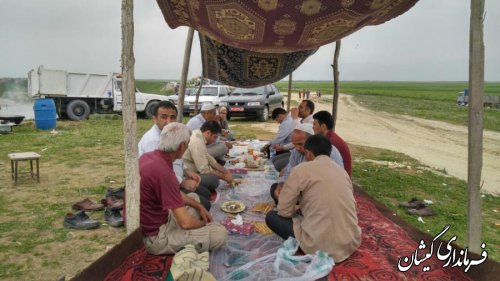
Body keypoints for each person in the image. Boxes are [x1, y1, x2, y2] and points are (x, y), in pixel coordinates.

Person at [265, 134, 360, 263]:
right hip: (350, 242)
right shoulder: (342, 172)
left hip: (319, 246)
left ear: (308, 153)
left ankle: (307, 243)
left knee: (272, 216)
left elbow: (284, 211)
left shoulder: (302, 169)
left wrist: (294, 211)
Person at [140, 122, 228, 255]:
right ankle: (187, 236)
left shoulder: (150, 157)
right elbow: (185, 223)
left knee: (194, 198)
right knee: (220, 234)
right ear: (181, 147)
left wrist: (199, 207)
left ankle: (192, 227)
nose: (187, 147)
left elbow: (174, 193)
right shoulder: (164, 171)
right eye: (187, 144)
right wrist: (204, 225)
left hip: (154, 219)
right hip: (155, 237)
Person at [137, 100, 213, 210]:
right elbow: (159, 176)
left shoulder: (171, 133)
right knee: (205, 202)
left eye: (172, 117)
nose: (168, 121)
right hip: (162, 189)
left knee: (206, 190)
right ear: (154, 119)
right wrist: (182, 183)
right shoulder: (153, 140)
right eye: (164, 117)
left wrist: (187, 171)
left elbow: (177, 158)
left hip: (175, 178)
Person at [269, 123, 343, 204]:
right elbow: (288, 173)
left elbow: (327, 184)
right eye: (294, 144)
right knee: (275, 188)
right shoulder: (296, 152)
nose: (297, 148)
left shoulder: (328, 152)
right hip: (303, 191)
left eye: (300, 144)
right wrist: (281, 185)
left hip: (323, 196)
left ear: (311, 140)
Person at [183, 120, 234, 193]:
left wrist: (225, 171)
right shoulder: (197, 142)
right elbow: (204, 170)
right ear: (208, 133)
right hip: (187, 174)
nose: (214, 141)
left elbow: (209, 158)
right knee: (214, 181)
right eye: (214, 137)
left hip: (193, 170)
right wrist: (224, 177)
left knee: (214, 175)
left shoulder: (199, 135)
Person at [275, 100, 316, 167]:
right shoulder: (302, 121)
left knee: (277, 164)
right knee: (275, 160)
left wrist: (294, 118)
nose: (298, 109)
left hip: (304, 155)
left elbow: (297, 134)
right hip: (296, 152)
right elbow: (296, 142)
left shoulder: (311, 123)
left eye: (301, 107)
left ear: (308, 110)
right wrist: (282, 147)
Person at [312, 111, 352, 178]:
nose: (312, 127)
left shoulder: (331, 142)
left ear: (323, 127)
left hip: (341, 179)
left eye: (314, 124)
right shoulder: (329, 137)